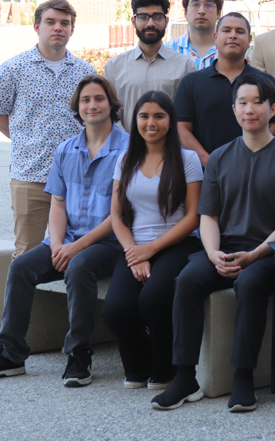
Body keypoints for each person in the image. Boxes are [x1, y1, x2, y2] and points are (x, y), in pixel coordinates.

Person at [0, 75, 128, 387]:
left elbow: (121, 215)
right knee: (22, 266)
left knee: (79, 266)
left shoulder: (129, 148)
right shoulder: (67, 149)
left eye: (99, 98)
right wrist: (56, 244)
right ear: (77, 108)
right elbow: (57, 203)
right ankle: (11, 353)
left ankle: (79, 354)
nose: (92, 105)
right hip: (66, 240)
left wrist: (74, 249)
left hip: (110, 242)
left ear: (111, 104)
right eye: (85, 100)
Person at [153, 73, 275, 411]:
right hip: (225, 246)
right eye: (242, 102)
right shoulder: (218, 157)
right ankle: (185, 376)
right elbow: (209, 216)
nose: (250, 109)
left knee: (251, 284)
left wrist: (255, 254)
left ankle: (243, 376)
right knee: (187, 280)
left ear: (272, 108)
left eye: (257, 102)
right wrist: (213, 252)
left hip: (269, 251)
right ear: (234, 109)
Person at [102, 91, 204, 390]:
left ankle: (165, 369)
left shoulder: (187, 159)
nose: (151, 122)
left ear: (170, 121)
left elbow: (193, 217)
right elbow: (117, 216)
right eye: (144, 116)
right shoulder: (126, 159)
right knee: (116, 308)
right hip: (136, 246)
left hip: (178, 243)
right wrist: (135, 252)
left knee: (153, 298)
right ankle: (138, 366)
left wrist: (152, 249)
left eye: (159, 115)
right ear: (135, 120)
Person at [0, 0, 96, 256]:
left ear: (72, 29)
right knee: (26, 252)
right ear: (37, 26)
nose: (58, 27)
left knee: (74, 252)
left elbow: (93, 120)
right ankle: (21, 299)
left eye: (64, 23)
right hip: (29, 177)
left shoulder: (85, 72)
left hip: (76, 178)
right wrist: (26, 140)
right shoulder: (13, 68)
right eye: (50, 22)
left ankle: (68, 299)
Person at [174, 12, 275, 167]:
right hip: (206, 174)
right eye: (226, 30)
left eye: (240, 31)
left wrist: (254, 156)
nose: (233, 35)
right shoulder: (191, 82)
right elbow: (182, 128)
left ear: (249, 39)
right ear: (215, 37)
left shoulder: (266, 82)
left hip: (256, 168)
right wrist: (211, 162)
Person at [104, 0, 196, 132]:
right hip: (126, 150)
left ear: (166, 21)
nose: (150, 23)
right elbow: (110, 114)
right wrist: (127, 145)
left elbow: (188, 116)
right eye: (143, 17)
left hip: (171, 151)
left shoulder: (184, 66)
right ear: (134, 21)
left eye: (157, 17)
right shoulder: (114, 67)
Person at [166, 0, 225, 69]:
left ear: (219, 13)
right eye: (195, 5)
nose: (201, 11)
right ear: (185, 12)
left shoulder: (232, 51)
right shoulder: (168, 51)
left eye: (208, 5)